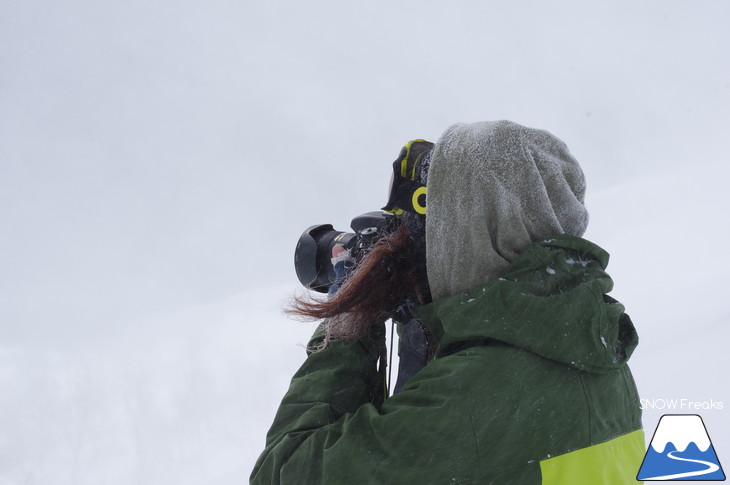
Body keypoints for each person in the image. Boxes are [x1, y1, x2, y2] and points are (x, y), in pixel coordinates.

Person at [250, 120, 644, 484]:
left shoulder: (470, 397)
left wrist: (352, 312)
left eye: (440, 226)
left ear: (468, 232)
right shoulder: (597, 351)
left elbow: (282, 472)